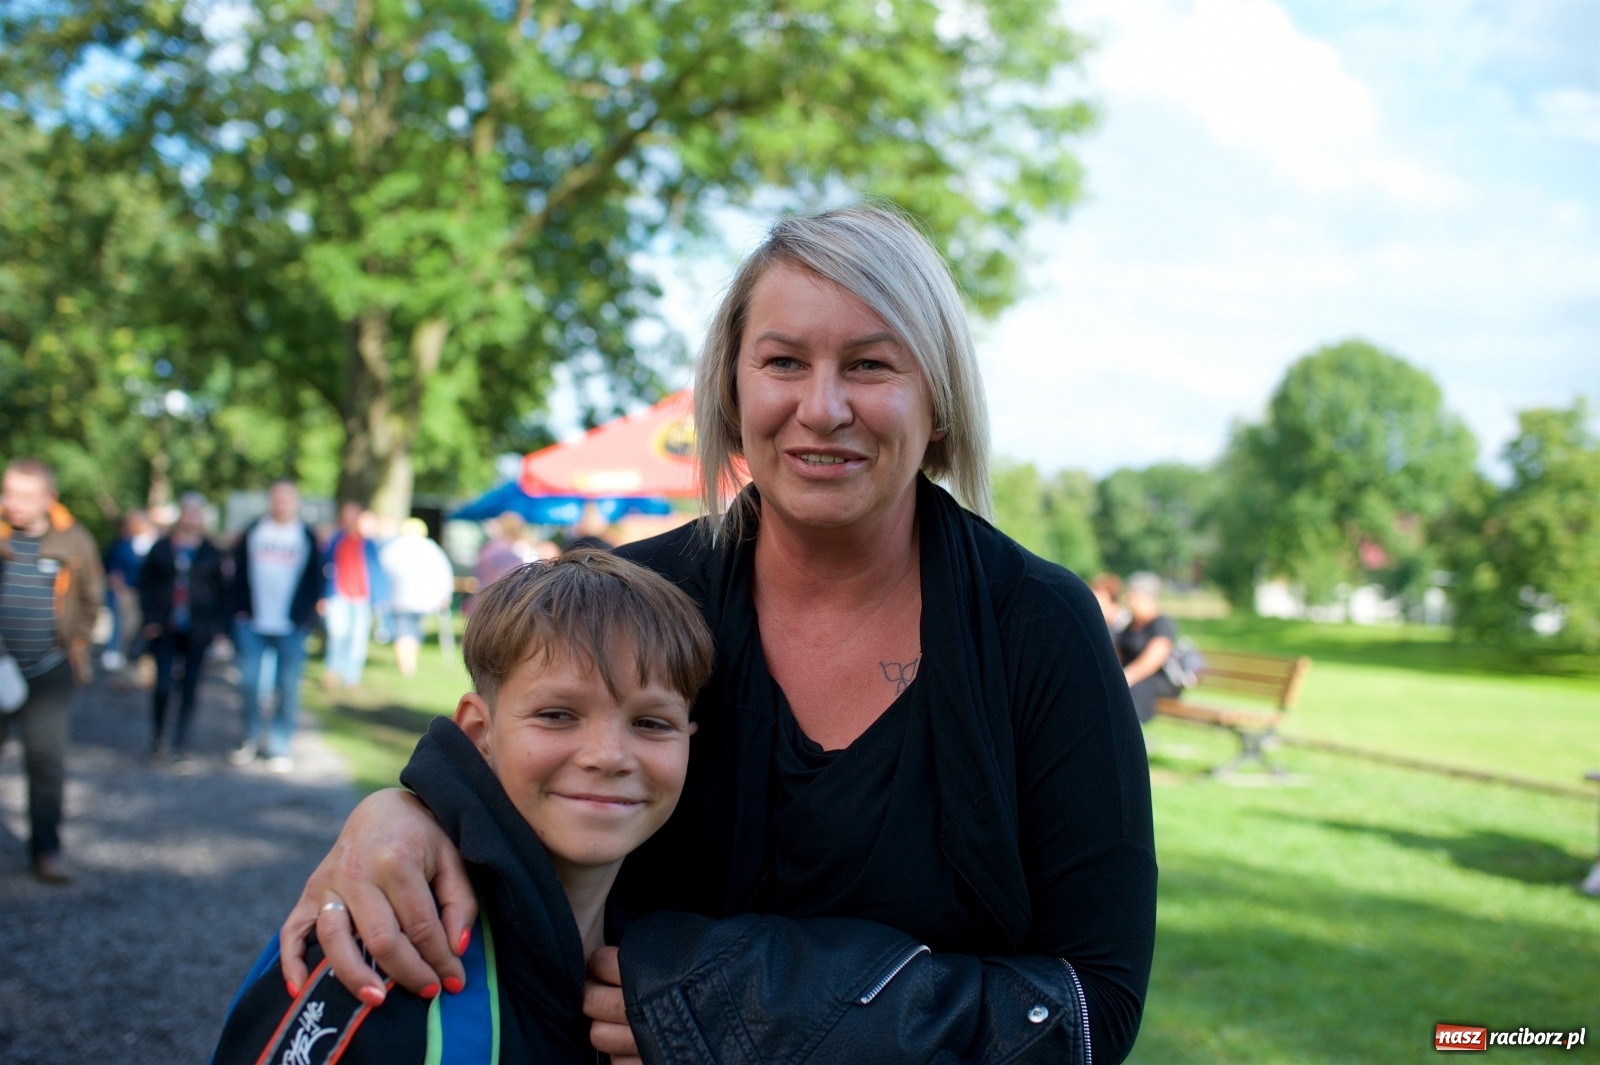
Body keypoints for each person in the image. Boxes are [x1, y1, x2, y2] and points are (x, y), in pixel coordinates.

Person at [278, 206, 1157, 1064]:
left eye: (869, 364)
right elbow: (511, 769)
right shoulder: (637, 599)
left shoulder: (1036, 624)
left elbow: (1093, 1007)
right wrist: (404, 813)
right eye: (783, 361)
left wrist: (754, 1011)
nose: (822, 407)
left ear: (940, 402)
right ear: (732, 391)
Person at [211, 552, 714, 1064]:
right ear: (479, 733)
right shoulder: (384, 953)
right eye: (557, 715)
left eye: (652, 723)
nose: (608, 756)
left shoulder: (691, 956)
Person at [0, 458, 104, 883]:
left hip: (48, 667)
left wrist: (75, 644)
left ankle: (46, 851)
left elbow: (91, 597)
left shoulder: (73, 539)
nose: (15, 503)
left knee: (45, 762)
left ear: (49, 498)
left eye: (26, 496)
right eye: (9, 493)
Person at [229, 478, 323, 774]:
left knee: (288, 687)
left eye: (287, 498)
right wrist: (238, 609)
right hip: (253, 622)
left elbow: (316, 578)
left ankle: (280, 745)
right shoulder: (254, 531)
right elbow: (236, 572)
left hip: (291, 626)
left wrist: (305, 615)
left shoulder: (305, 536)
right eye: (276, 497)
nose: (281, 503)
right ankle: (251, 736)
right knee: (249, 683)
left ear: (296, 502)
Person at [138, 492, 228, 763]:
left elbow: (221, 593)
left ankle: (181, 742)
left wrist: (218, 629)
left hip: (198, 628)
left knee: (190, 685)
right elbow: (146, 585)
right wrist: (149, 619)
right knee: (164, 685)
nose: (192, 518)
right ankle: (158, 739)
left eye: (197, 513)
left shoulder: (211, 552)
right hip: (165, 626)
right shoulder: (162, 548)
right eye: (188, 512)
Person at [320, 501, 389, 690]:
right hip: (339, 595)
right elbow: (323, 566)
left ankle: (351, 676)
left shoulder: (368, 544)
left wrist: (380, 598)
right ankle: (333, 670)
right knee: (337, 634)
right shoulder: (336, 541)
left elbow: (377, 572)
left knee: (357, 638)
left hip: (361, 598)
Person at [379, 518, 456, 677]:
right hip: (424, 599)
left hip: (399, 597)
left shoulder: (393, 548)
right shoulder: (431, 549)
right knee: (413, 628)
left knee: (404, 629)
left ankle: (406, 664)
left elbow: (382, 571)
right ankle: (408, 663)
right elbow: (443, 573)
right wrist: (445, 594)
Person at [1115, 571, 1181, 725]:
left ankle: (1133, 729)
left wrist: (1127, 676)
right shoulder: (1129, 624)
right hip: (1131, 677)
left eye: (1132, 596)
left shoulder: (1161, 623)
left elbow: (1154, 659)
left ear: (1147, 597)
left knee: (1134, 688)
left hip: (1157, 679)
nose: (1129, 601)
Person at [102, 508, 156, 677]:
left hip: (150, 593)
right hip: (129, 592)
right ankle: (124, 658)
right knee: (127, 627)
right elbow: (113, 566)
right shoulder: (123, 544)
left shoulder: (155, 544)